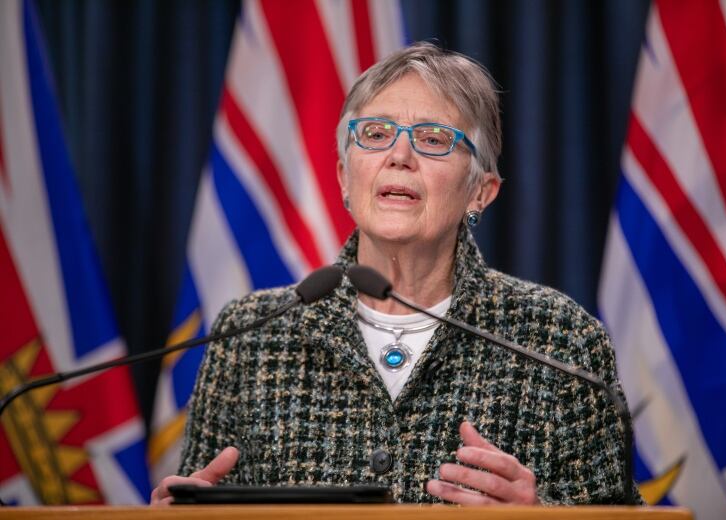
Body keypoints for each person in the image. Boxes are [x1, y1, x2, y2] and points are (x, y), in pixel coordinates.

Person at [151, 42, 641, 506]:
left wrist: (543, 515)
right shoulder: (251, 336)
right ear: (346, 176)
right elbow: (199, 497)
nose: (399, 156)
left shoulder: (558, 341)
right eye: (376, 134)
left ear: (481, 192)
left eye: (433, 139)